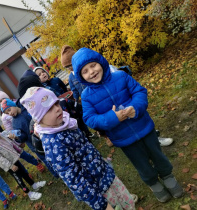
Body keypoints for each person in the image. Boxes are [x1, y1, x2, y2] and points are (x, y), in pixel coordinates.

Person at [71, 47, 183, 202]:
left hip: (144, 127)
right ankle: (154, 183)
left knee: (157, 155)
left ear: (101, 63)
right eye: (85, 71)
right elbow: (90, 119)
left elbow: (140, 92)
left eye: (93, 65)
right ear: (81, 77)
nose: (91, 72)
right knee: (141, 163)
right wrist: (113, 117)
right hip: (124, 138)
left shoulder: (121, 76)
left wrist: (135, 108)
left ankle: (168, 176)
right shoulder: (87, 96)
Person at [21, 87, 135, 210]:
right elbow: (74, 180)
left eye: (56, 103)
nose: (57, 109)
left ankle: (126, 203)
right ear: (38, 117)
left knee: (126, 201)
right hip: (97, 189)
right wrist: (102, 204)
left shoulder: (64, 123)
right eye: (49, 109)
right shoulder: (53, 143)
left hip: (103, 173)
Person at [61, 45, 173, 147]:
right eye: (68, 67)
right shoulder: (76, 81)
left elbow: (135, 90)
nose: (71, 68)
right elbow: (90, 116)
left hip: (137, 119)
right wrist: (111, 118)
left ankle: (156, 138)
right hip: (117, 128)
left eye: (71, 64)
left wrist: (136, 106)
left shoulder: (111, 71)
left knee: (150, 140)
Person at [0, 117, 45, 201]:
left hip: (13, 156)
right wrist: (10, 166)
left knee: (23, 172)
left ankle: (33, 184)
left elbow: (5, 140)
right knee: (18, 178)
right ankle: (29, 193)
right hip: (9, 163)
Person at [0, 98, 58, 177]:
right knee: (45, 159)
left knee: (54, 152)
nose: (10, 114)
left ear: (13, 105)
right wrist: (17, 137)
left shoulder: (26, 108)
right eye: (7, 113)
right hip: (34, 143)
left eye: (9, 110)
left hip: (45, 135)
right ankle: (56, 174)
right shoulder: (15, 123)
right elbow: (23, 137)